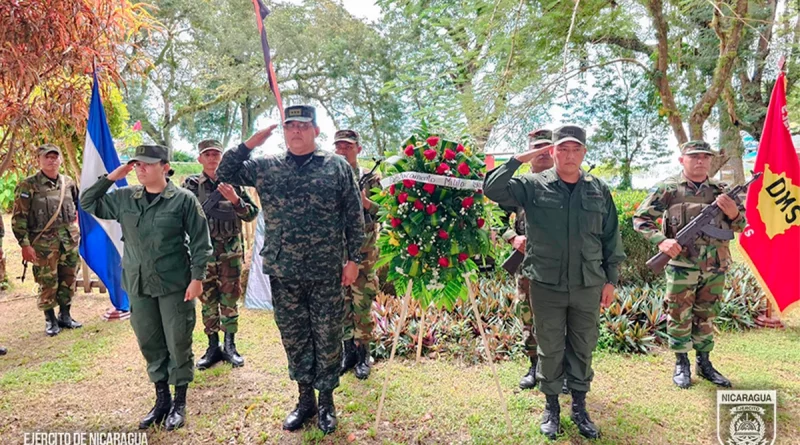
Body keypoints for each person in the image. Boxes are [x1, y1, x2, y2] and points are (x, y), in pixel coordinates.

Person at [216, 105, 364, 435]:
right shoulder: (266, 166)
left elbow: (355, 217)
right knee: (294, 337)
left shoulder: (337, 166)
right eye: (290, 126)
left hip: (326, 269)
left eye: (302, 125)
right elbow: (225, 172)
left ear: (315, 131)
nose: (296, 130)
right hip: (284, 270)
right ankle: (304, 400)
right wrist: (250, 142)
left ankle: (326, 402)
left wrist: (353, 259)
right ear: (284, 131)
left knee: (327, 337)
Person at [484, 125, 626, 440]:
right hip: (546, 283)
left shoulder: (598, 189)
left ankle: (579, 406)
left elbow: (610, 237)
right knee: (549, 346)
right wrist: (519, 158)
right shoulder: (532, 185)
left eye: (576, 149)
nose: (570, 155)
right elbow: (492, 189)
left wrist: (610, 280)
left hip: (587, 284)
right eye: (563, 149)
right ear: (552, 152)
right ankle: (551, 407)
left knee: (583, 345)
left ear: (584, 152)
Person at [80, 144, 212, 431]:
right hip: (138, 284)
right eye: (137, 164)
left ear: (165, 166)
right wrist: (112, 176)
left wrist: (197, 278)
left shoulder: (183, 200)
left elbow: (201, 242)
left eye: (147, 164)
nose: (140, 169)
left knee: (178, 341)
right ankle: (161, 398)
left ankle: (179, 401)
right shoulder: (126, 197)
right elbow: (88, 202)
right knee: (149, 342)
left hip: (174, 285)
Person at [633, 140, 744, 390]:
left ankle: (704, 363)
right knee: (678, 313)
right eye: (694, 157)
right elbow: (641, 219)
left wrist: (734, 213)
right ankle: (681, 362)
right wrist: (662, 241)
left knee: (707, 313)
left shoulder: (722, 190)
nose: (701, 161)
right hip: (682, 265)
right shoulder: (668, 189)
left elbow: (742, 226)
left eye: (705, 156)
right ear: (682, 160)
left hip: (715, 265)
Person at [500, 129, 567, 392]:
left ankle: (557, 370)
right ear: (529, 154)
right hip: (527, 265)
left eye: (546, 148)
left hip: (561, 266)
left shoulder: (569, 182)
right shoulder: (518, 188)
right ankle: (533, 365)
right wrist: (512, 237)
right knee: (528, 316)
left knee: (560, 319)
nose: (541, 153)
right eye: (536, 148)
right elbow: (494, 214)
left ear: (554, 152)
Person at [183, 139, 259, 370]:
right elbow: (180, 215)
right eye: (207, 154)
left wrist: (236, 200)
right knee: (207, 300)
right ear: (200, 159)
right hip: (203, 254)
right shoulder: (191, 185)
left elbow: (251, 214)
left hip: (230, 254)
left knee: (230, 298)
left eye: (216, 153)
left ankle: (230, 345)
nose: (212, 158)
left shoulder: (234, 182)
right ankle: (212, 346)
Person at [12, 144, 82, 336]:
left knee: (69, 278)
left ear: (60, 159)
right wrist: (25, 245)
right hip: (43, 243)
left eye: (55, 157)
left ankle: (65, 315)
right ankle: (50, 319)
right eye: (47, 157)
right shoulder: (28, 185)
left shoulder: (68, 183)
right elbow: (19, 218)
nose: (51, 161)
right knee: (48, 280)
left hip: (68, 240)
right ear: (39, 160)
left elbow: (77, 208)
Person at [333, 129, 380, 380]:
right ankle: (347, 352)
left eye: (348, 146)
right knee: (342, 303)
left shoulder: (370, 179)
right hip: (337, 252)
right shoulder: (329, 176)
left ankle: (363, 355)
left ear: (358, 149)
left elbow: (386, 212)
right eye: (338, 146)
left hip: (364, 252)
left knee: (361, 303)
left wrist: (366, 203)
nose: (342, 150)